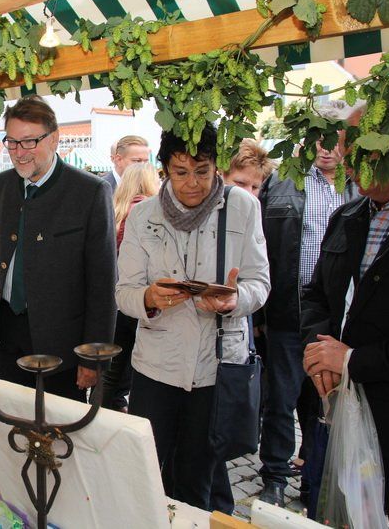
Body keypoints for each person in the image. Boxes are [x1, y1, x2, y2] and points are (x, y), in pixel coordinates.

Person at [116, 126, 270, 510]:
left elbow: (260, 283)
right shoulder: (143, 215)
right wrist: (149, 297)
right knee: (146, 473)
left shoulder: (243, 207)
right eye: (181, 172)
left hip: (216, 368)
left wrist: (235, 299)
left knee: (198, 477)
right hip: (156, 367)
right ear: (164, 169)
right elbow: (124, 292)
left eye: (202, 171)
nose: (192, 183)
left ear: (217, 166)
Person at [0, 95, 116, 402]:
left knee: (59, 426)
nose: (19, 153)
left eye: (29, 142)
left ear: (54, 138)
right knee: (14, 417)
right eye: (12, 142)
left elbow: (103, 283)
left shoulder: (90, 192)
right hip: (8, 332)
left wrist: (93, 358)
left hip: (63, 345)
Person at [257, 101, 360, 507]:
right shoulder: (282, 181)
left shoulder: (358, 186)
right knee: (280, 400)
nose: (326, 149)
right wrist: (262, 314)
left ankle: (315, 480)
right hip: (288, 310)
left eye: (334, 141)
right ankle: (274, 477)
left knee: (323, 401)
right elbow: (261, 249)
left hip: (336, 318)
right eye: (318, 139)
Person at [302, 104, 389, 526]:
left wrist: (352, 360)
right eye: (347, 150)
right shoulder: (347, 216)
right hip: (338, 408)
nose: (348, 162)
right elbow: (316, 296)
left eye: (362, 151)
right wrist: (320, 351)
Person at [209, 139, 275, 513]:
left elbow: (260, 282)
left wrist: (238, 299)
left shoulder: (251, 216)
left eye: (255, 186)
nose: (249, 193)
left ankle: (219, 511)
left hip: (230, 344)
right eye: (240, 183)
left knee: (216, 442)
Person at [102, 162, 160, 412]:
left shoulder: (116, 210)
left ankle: (102, 415)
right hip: (139, 299)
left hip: (116, 299)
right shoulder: (146, 211)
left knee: (112, 371)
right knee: (130, 371)